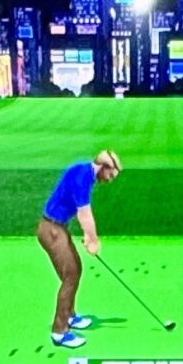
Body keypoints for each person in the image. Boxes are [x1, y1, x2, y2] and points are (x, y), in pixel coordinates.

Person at [36, 148, 121, 349]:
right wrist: (92, 241)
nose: (109, 180)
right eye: (110, 176)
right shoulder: (82, 178)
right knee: (71, 276)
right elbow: (84, 214)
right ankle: (59, 332)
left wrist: (88, 236)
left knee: (75, 270)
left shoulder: (84, 172)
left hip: (57, 227)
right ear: (103, 167)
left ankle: (69, 315)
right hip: (51, 230)